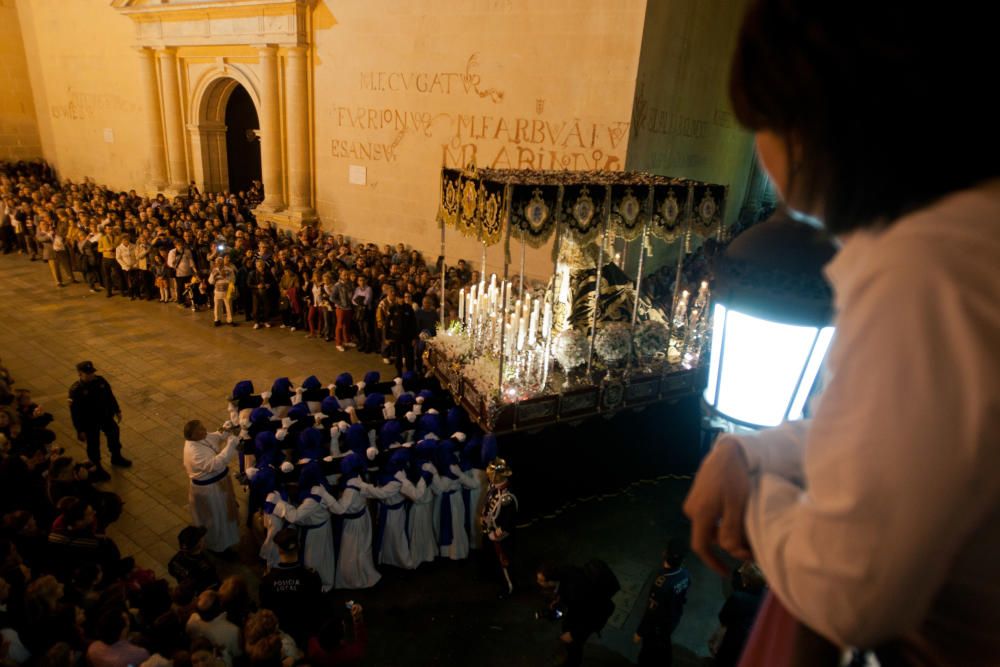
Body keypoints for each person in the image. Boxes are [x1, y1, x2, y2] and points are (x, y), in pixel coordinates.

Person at [681, 3, 1000, 665]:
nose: (762, 157)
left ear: (815, 122)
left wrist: (755, 496)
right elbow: (905, 431)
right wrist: (750, 448)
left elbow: (851, 589)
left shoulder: (925, 268)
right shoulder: (965, 235)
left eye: (759, 124)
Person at [536, 562, 617, 667]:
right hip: (580, 610)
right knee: (570, 634)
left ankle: (573, 663)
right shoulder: (563, 571)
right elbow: (563, 587)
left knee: (575, 645)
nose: (538, 582)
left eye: (541, 580)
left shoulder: (575, 592)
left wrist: (573, 634)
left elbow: (589, 617)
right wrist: (560, 599)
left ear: (550, 581)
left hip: (588, 619)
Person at [181, 420, 239, 557]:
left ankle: (226, 541)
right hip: (210, 491)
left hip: (218, 485)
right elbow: (215, 464)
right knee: (217, 518)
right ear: (193, 436)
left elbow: (216, 436)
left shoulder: (202, 437)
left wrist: (226, 430)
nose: (205, 431)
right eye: (200, 430)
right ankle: (218, 547)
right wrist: (231, 444)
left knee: (224, 514)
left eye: (203, 427)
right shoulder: (194, 452)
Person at [258, 528, 323, 646]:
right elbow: (318, 607)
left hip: (280, 634)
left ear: (279, 550)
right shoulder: (312, 576)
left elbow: (265, 609)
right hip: (306, 632)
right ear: (298, 547)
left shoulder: (268, 580)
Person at [68, 361, 131, 482]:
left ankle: (116, 457)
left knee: (114, 434)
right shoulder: (76, 390)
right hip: (90, 422)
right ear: (80, 374)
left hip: (105, 416)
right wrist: (79, 430)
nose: (91, 375)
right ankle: (97, 467)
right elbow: (75, 413)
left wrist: (117, 410)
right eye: (88, 373)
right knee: (93, 445)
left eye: (92, 372)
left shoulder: (100, 381)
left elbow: (110, 396)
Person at [633, 539, 691, 666]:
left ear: (665, 554)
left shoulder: (661, 582)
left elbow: (651, 611)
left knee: (647, 655)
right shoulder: (685, 575)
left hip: (657, 627)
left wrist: (640, 632)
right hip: (673, 619)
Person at [481, 456, 517, 598]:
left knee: (505, 564)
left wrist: (495, 535)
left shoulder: (507, 498)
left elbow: (508, 524)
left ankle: (509, 587)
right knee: (493, 562)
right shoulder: (493, 488)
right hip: (490, 531)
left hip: (501, 537)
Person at [167, 526, 221, 592]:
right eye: (201, 537)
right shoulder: (206, 567)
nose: (203, 538)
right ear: (200, 543)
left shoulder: (177, 558)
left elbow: (171, 570)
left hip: (188, 590)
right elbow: (214, 584)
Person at [208, 257, 236, 327]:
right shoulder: (214, 271)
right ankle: (217, 320)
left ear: (223, 262)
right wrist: (214, 277)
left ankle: (230, 320)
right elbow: (210, 282)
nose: (219, 263)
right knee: (217, 306)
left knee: (229, 306)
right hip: (218, 291)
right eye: (218, 262)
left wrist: (225, 277)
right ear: (216, 263)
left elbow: (233, 280)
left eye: (221, 262)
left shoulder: (229, 270)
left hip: (227, 291)